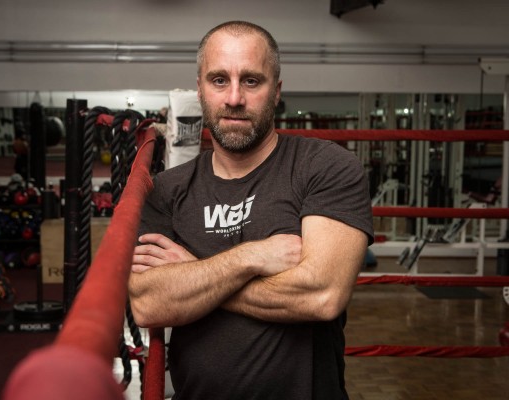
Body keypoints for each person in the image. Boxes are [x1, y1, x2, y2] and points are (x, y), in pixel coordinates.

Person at [128, 20, 374, 399]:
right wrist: (252, 257)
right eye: (219, 80)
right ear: (200, 89)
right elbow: (148, 304)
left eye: (252, 81)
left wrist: (192, 273)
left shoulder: (325, 167)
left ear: (276, 92)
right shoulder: (168, 190)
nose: (234, 98)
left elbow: (321, 296)